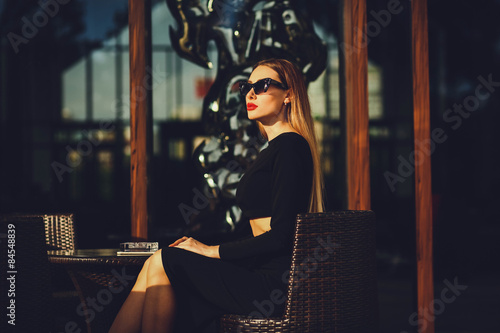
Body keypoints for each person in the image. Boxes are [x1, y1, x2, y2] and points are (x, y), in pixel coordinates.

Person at [109, 58, 324, 333]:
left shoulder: (290, 148)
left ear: (289, 95)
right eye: (248, 87)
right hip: (258, 271)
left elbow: (282, 236)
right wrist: (201, 245)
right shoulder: (274, 149)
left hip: (273, 285)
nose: (250, 93)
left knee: (165, 260)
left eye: (263, 85)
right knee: (160, 259)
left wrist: (210, 251)